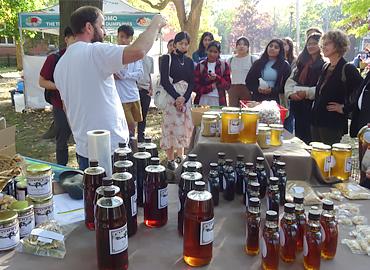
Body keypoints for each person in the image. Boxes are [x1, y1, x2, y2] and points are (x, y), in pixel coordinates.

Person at [54, 6, 166, 170]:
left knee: (93, 194)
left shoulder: (60, 65)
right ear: (89, 27)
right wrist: (156, 23)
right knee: (117, 194)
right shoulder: (95, 52)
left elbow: (66, 107)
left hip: (84, 149)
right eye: (102, 26)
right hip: (110, 148)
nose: (104, 32)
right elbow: (139, 50)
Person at [311, 30, 363, 145]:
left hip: (332, 123)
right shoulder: (326, 66)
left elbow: (361, 91)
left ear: (338, 45)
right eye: (323, 44)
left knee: (329, 159)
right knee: (317, 157)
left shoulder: (348, 68)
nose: (324, 46)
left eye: (327, 43)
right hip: (317, 119)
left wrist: (344, 108)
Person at [39, 26, 75, 166]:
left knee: (83, 140)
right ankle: (62, 170)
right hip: (60, 105)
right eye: (73, 39)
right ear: (66, 39)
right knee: (62, 139)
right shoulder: (54, 58)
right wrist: (61, 86)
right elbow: (42, 81)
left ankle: (84, 172)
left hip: (81, 106)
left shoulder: (87, 57)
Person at [159, 32, 194, 170]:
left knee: (184, 128)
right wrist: (176, 97)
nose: (183, 46)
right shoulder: (166, 59)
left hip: (185, 98)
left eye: (186, 44)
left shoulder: (190, 61)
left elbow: (192, 82)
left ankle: (181, 156)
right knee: (171, 128)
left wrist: (184, 98)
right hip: (171, 97)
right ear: (175, 44)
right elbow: (164, 81)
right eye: (181, 43)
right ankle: (170, 159)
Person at [284, 33, 325, 144]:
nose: (310, 46)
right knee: (300, 138)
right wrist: (290, 94)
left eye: (314, 43)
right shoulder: (302, 62)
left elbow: (324, 87)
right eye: (308, 44)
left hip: (313, 107)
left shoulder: (324, 64)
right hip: (298, 104)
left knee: (311, 139)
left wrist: (306, 93)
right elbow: (291, 81)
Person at [114, 25, 144, 138]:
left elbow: (140, 74)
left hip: (133, 94)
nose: (123, 40)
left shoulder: (135, 54)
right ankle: (128, 149)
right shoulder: (114, 54)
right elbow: (115, 73)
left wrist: (126, 75)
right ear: (117, 36)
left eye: (126, 37)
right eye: (121, 36)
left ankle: (133, 149)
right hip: (120, 96)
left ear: (131, 39)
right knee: (128, 125)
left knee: (134, 126)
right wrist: (124, 75)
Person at [245, 39, 291, 104]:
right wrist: (257, 88)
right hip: (258, 98)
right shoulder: (258, 63)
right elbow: (248, 81)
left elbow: (287, 85)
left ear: (280, 51)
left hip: (275, 99)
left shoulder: (284, 65)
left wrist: (272, 90)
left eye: (276, 47)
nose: (272, 48)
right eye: (270, 46)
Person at [194, 41, 231, 106]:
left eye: (215, 52)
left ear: (219, 53)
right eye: (210, 51)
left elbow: (227, 85)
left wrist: (217, 78)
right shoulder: (200, 66)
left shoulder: (223, 66)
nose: (212, 54)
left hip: (219, 100)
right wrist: (209, 87)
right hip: (202, 100)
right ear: (206, 51)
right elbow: (195, 86)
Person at [227, 37, 257, 107]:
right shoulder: (230, 60)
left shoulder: (253, 59)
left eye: (244, 44)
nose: (241, 46)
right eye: (239, 44)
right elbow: (227, 75)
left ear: (248, 47)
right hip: (233, 88)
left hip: (247, 89)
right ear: (236, 46)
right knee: (233, 110)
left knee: (246, 110)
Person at [137, 54, 154, 142]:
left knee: (143, 115)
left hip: (146, 90)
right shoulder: (134, 57)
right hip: (135, 90)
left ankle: (141, 136)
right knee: (134, 116)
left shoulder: (150, 59)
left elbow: (149, 75)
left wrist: (151, 88)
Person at [282, 37, 297, 133]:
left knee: (288, 118)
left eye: (285, 44)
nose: (283, 46)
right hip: (279, 93)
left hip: (289, 93)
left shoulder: (295, 61)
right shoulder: (277, 59)